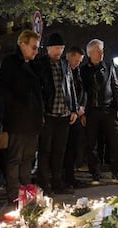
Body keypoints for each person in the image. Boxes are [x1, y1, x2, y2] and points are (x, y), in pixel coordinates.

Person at [0, 30, 43, 203]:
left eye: (37, 48)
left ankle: (26, 191)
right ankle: (14, 194)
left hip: (31, 120)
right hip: (17, 119)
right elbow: (3, 91)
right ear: (22, 44)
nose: (36, 51)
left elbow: (38, 93)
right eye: (33, 47)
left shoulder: (32, 64)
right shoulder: (10, 63)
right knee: (15, 158)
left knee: (28, 158)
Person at [80, 39, 118, 185]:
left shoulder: (108, 66)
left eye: (102, 51)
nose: (102, 53)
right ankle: (95, 173)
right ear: (90, 53)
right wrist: (83, 112)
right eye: (98, 51)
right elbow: (82, 91)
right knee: (91, 143)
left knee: (117, 140)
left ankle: (117, 171)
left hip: (108, 109)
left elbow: (115, 87)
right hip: (91, 110)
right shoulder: (84, 70)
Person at [35, 33, 78, 194]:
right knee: (45, 151)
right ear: (48, 49)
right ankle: (44, 184)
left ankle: (57, 183)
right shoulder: (41, 64)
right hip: (49, 113)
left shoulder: (65, 65)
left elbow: (71, 87)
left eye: (61, 48)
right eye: (55, 48)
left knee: (60, 151)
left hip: (64, 114)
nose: (58, 51)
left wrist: (73, 108)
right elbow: (39, 90)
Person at [63, 46, 87, 188]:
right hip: (66, 113)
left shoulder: (78, 72)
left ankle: (70, 176)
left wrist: (81, 107)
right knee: (64, 148)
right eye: (76, 60)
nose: (77, 63)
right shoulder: (63, 69)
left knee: (73, 146)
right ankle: (63, 176)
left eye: (80, 61)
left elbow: (83, 91)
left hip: (77, 113)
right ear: (69, 56)